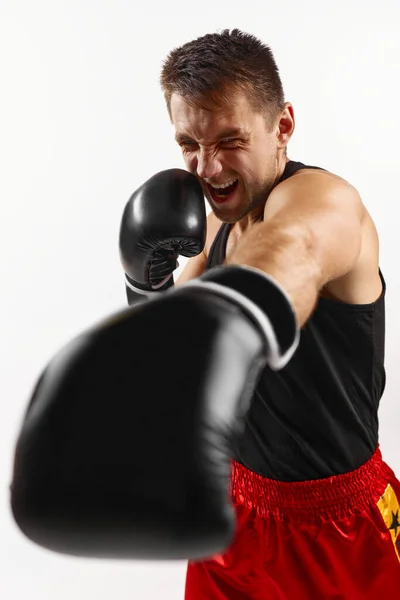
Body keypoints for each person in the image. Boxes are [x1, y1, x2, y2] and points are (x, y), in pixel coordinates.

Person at [10, 29, 400, 599]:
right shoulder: (216, 214)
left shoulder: (328, 201)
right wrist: (145, 289)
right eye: (188, 143)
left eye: (230, 140)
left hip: (338, 526)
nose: (208, 167)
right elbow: (172, 356)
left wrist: (234, 315)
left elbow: (295, 249)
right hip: (234, 510)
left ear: (283, 125)